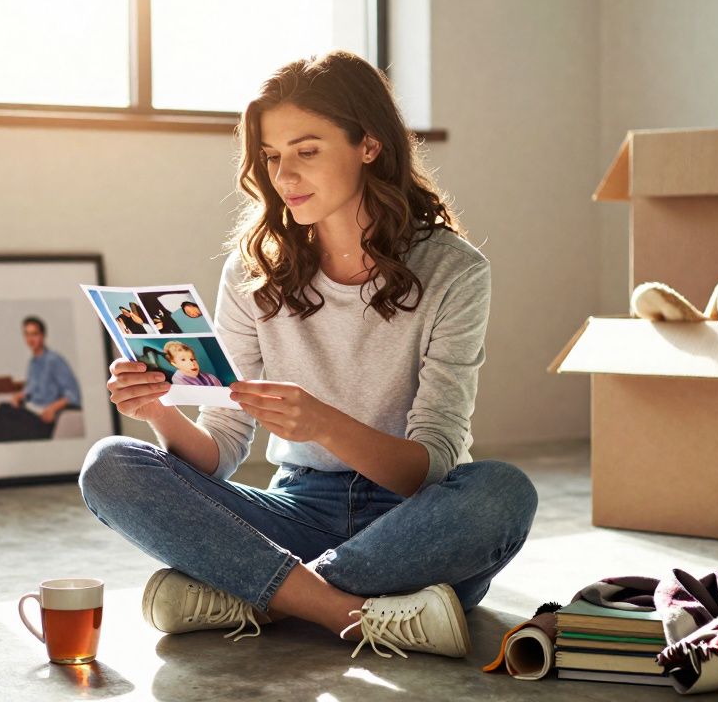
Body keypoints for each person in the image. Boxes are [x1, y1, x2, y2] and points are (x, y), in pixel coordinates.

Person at [78, 50, 537, 661]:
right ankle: (347, 612)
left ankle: (260, 593)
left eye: (307, 150)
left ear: (368, 144)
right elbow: (220, 452)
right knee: (110, 465)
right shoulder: (254, 271)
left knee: (501, 493)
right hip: (297, 509)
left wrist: (323, 423)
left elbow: (427, 469)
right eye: (271, 157)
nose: (284, 175)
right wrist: (160, 411)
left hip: (413, 521)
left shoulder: (454, 270)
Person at [0, 316, 82, 442]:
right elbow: (31, 389)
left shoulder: (54, 360)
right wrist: (20, 395)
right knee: (2, 410)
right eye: (27, 334)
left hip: (41, 418)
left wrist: (53, 408)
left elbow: (73, 394)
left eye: (34, 334)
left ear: (43, 336)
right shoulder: (33, 363)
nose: (30, 339)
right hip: (29, 410)